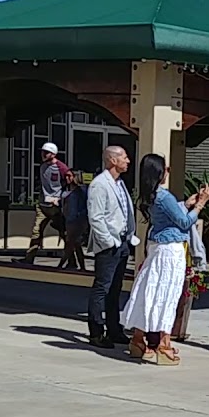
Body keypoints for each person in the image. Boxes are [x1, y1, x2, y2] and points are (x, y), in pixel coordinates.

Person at [121, 153, 208, 365]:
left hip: (157, 248)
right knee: (167, 295)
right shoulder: (164, 195)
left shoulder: (150, 195)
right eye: (165, 168)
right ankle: (163, 344)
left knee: (149, 291)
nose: (168, 171)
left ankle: (138, 339)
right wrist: (200, 205)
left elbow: (171, 214)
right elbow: (184, 222)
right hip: (171, 251)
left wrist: (186, 203)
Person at [85, 146, 136, 348]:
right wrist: (108, 242)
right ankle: (96, 332)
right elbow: (96, 218)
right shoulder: (99, 184)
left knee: (115, 289)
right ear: (113, 160)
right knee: (102, 288)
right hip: (109, 245)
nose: (128, 160)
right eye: (124, 157)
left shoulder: (120, 184)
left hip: (122, 243)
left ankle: (114, 329)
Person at [16, 142, 74, 265]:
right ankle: (29, 259)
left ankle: (72, 261)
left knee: (64, 234)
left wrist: (61, 198)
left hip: (55, 207)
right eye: (43, 152)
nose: (43, 154)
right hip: (43, 205)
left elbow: (71, 181)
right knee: (36, 232)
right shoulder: (42, 166)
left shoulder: (61, 167)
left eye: (46, 152)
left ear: (53, 154)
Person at [58, 171, 88, 271]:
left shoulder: (82, 191)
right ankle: (82, 267)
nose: (67, 178)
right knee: (76, 244)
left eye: (69, 176)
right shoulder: (66, 191)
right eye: (66, 176)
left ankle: (60, 265)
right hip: (69, 221)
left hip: (78, 221)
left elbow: (85, 207)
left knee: (70, 244)